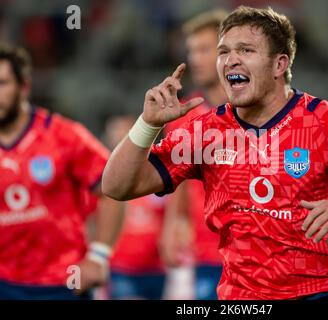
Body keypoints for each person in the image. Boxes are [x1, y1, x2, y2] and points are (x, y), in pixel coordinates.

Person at [102, 6, 328, 300]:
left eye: (245, 50)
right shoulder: (204, 133)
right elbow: (116, 186)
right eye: (224, 51)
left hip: (327, 293)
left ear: (280, 64)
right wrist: (147, 124)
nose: (231, 59)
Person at [0, 43, 124, 300]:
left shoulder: (63, 135)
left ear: (24, 87)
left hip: (63, 284)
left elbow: (115, 189)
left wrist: (99, 256)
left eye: (2, 83)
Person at [160, 9, 228, 300]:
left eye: (204, 49)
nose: (195, 59)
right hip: (203, 251)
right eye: (191, 51)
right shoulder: (181, 117)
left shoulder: (259, 114)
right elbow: (178, 180)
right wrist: (170, 226)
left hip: (255, 251)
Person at [103, 115, 168, 300]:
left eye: (125, 133)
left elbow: (171, 214)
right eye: (116, 134)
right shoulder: (105, 179)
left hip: (155, 268)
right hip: (121, 268)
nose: (119, 137)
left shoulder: (157, 172)